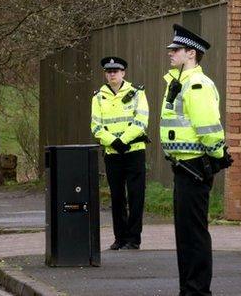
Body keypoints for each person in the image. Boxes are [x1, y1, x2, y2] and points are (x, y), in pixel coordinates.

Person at [160, 24, 233, 295]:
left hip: (194, 167)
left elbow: (209, 127)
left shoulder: (198, 84)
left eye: (176, 49)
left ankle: (197, 291)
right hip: (184, 166)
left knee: (194, 234)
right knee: (186, 234)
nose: (171, 53)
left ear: (191, 54)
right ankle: (188, 289)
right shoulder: (181, 83)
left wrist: (216, 154)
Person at [90, 56, 150, 250]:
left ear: (123, 73)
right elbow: (96, 127)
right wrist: (115, 142)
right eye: (109, 71)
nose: (112, 74)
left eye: (116, 71)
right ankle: (120, 238)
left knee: (135, 196)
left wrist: (124, 140)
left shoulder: (137, 93)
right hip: (113, 154)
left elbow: (141, 121)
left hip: (134, 152)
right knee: (117, 196)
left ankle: (134, 239)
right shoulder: (98, 97)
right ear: (105, 74)